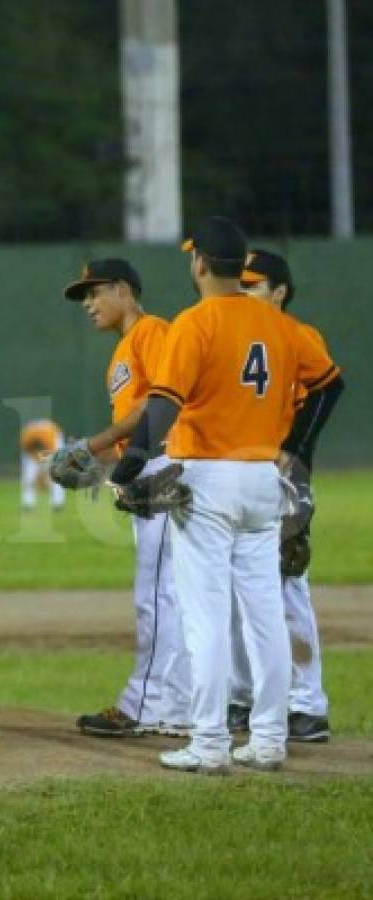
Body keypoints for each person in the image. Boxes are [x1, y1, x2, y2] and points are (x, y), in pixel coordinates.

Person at [110, 217, 344, 774]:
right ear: (241, 267)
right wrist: (298, 446)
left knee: (205, 616)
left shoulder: (196, 323)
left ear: (198, 264)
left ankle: (210, 742)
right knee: (263, 612)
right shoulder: (280, 324)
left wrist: (134, 462)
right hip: (264, 480)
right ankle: (268, 739)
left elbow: (164, 403)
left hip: (207, 480)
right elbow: (329, 383)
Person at [59, 258, 191, 738]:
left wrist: (92, 445)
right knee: (168, 594)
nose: (88, 304)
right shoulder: (123, 349)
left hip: (163, 466)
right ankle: (176, 705)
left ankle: (147, 705)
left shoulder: (152, 330)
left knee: (157, 595)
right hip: (149, 466)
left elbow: (159, 402)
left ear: (123, 290)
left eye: (94, 293)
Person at [228, 249, 342, 743]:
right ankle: (242, 697)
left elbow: (329, 389)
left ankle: (306, 703)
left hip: (281, 474)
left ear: (280, 292)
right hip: (233, 474)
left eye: (253, 284)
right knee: (230, 586)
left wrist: (294, 452)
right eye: (240, 282)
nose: (243, 291)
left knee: (287, 584)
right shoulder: (232, 334)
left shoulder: (297, 335)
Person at [18, 419, 65, 511]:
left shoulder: (50, 438)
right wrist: (39, 477)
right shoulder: (26, 438)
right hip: (36, 444)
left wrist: (44, 476)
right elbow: (29, 456)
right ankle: (28, 504)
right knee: (28, 476)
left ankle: (58, 503)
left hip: (54, 441)